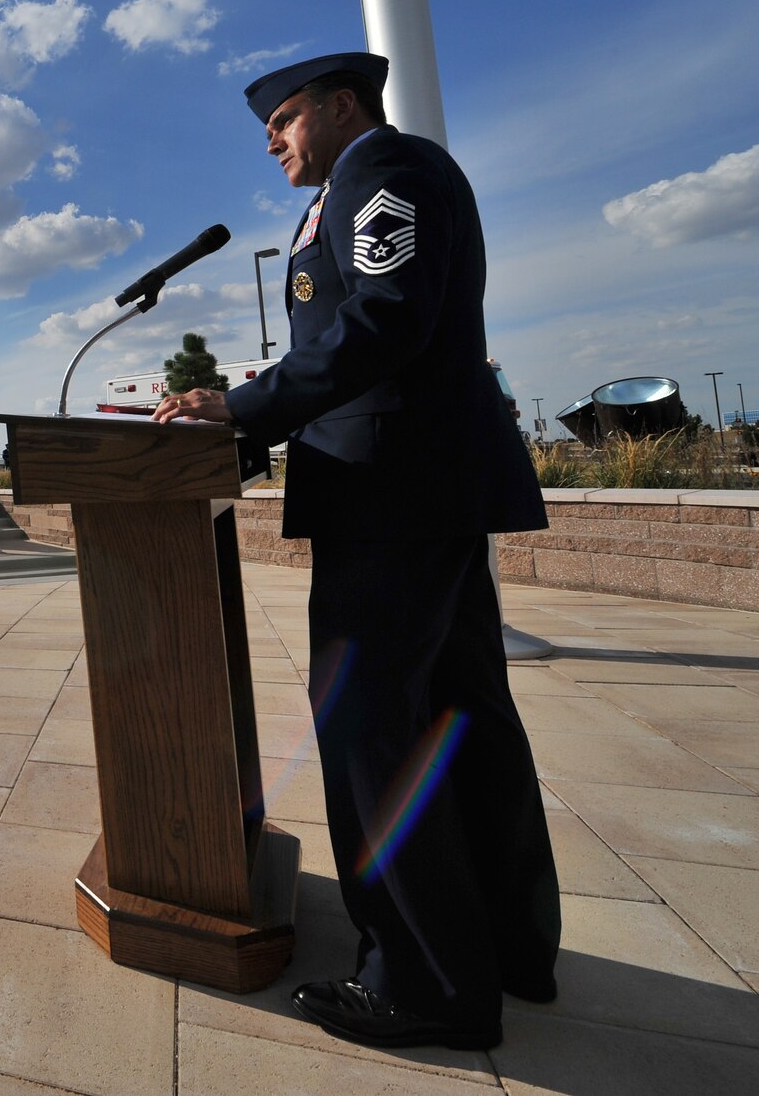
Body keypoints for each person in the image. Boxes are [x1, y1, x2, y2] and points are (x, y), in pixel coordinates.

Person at [151, 51, 557, 1052]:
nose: (272, 142)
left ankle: (422, 980)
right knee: (462, 715)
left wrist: (236, 406)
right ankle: (505, 946)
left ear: (340, 105)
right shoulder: (358, 185)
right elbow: (347, 342)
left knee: (376, 732)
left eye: (284, 120)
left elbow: (381, 323)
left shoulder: (384, 171)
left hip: (391, 495)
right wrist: (245, 422)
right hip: (418, 490)